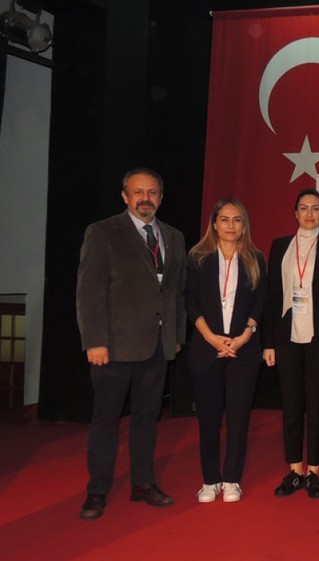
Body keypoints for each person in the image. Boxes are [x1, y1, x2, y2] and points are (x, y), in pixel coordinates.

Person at [76, 167, 186, 520]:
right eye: (138, 192)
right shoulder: (103, 232)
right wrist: (95, 341)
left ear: (161, 197)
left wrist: (176, 336)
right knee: (106, 420)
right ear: (125, 197)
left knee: (146, 419)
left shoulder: (174, 236)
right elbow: (89, 291)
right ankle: (97, 491)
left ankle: (143, 483)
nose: (145, 198)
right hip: (113, 347)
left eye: (152, 192)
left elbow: (175, 292)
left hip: (157, 346)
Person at [262, 189, 319, 499]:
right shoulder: (280, 246)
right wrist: (268, 342)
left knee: (317, 405)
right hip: (286, 337)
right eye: (303, 208)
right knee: (291, 406)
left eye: (315, 208)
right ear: (295, 213)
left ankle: (314, 472)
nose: (309, 214)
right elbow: (273, 297)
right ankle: (294, 470)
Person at [185, 198, 267, 503]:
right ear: (214, 223)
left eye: (237, 220)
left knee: (238, 418)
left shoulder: (255, 259)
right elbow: (191, 301)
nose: (231, 225)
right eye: (225, 219)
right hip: (207, 349)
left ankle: (231, 479)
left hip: (243, 351)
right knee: (208, 419)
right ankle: (210, 480)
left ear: (244, 225)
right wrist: (211, 338)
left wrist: (244, 336)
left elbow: (261, 302)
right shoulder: (198, 257)